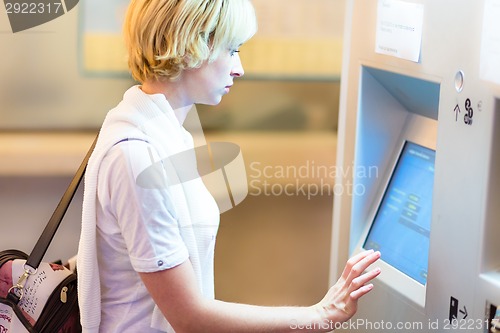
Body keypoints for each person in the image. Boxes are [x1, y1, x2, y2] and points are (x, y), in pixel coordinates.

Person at [77, 0, 381, 332]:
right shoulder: (137, 156)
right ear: (190, 45)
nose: (239, 68)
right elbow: (190, 317)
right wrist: (321, 315)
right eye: (232, 49)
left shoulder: (162, 130)